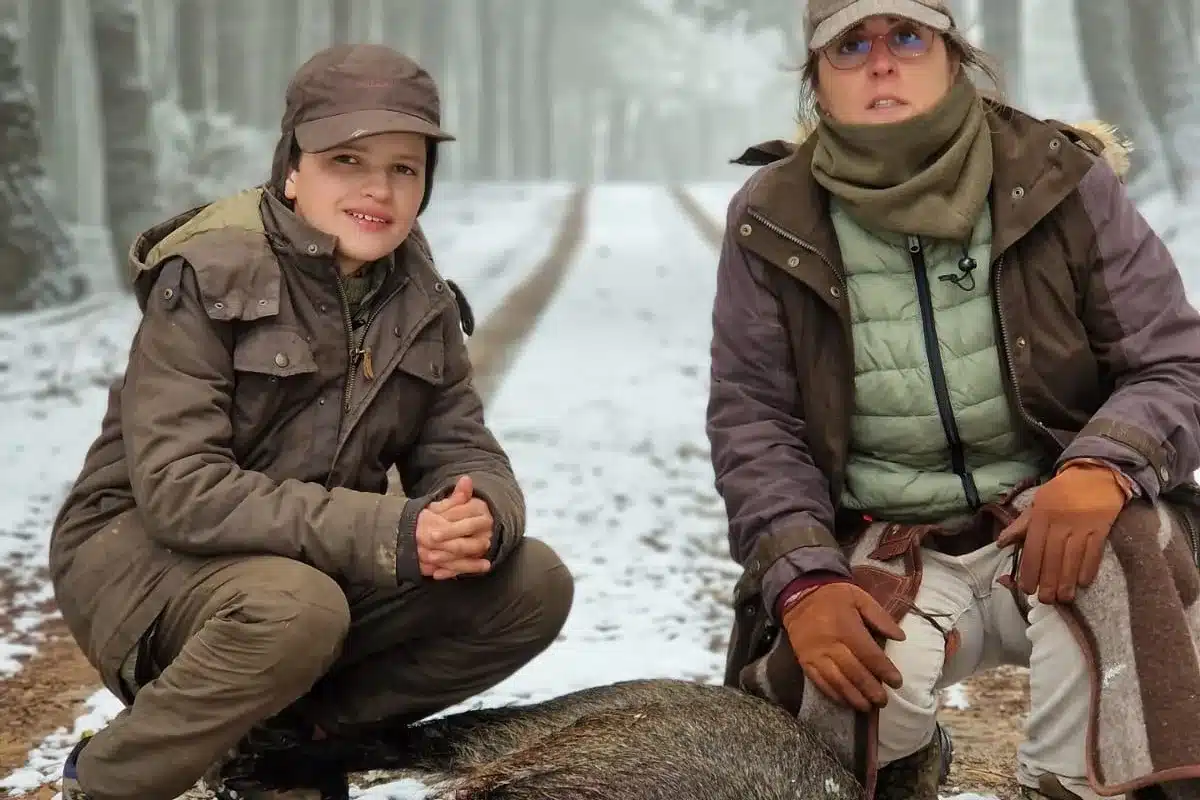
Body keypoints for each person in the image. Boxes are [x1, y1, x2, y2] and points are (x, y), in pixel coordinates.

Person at [49, 43, 574, 800]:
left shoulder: (418, 299)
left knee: (530, 581)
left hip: (298, 567)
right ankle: (109, 777)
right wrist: (393, 533)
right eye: (348, 161)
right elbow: (180, 491)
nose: (379, 189)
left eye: (404, 167)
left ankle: (279, 751)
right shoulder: (209, 273)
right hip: (141, 556)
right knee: (296, 608)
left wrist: (481, 516)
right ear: (292, 168)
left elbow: (463, 444)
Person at [707, 1, 1200, 799]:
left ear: (952, 55)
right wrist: (801, 579)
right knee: (844, 703)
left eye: (907, 36)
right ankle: (907, 763)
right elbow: (754, 423)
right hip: (886, 534)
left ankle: (1070, 783)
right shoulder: (774, 215)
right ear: (816, 79)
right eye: (849, 46)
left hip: (1055, 520)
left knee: (1132, 569)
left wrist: (1104, 467)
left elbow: (1176, 360)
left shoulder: (1061, 180)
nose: (881, 62)